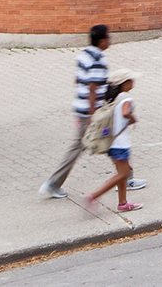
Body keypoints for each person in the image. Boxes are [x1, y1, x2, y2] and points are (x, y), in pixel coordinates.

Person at [42, 23, 143, 199]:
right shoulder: (98, 60)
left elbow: (78, 81)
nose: (110, 40)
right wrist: (92, 115)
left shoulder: (84, 55)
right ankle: (53, 184)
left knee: (107, 142)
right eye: (108, 37)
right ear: (102, 41)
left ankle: (126, 177)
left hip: (81, 108)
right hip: (94, 112)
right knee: (97, 143)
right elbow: (92, 88)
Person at [82, 68, 141, 213]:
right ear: (124, 84)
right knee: (123, 174)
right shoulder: (126, 98)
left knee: (122, 175)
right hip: (121, 144)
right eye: (131, 80)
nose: (133, 82)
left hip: (112, 143)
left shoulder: (115, 98)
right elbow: (125, 113)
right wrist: (132, 118)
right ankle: (94, 195)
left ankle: (123, 203)